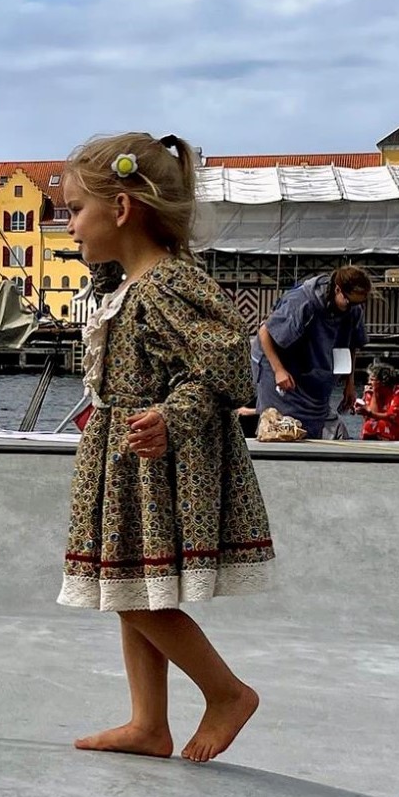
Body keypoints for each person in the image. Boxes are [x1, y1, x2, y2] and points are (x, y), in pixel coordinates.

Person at [59, 132, 273, 764]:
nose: (69, 227)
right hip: (120, 456)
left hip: (150, 462)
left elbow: (226, 360)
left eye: (75, 210)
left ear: (121, 210)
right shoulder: (125, 286)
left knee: (127, 589)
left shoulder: (164, 284)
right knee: (133, 591)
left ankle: (226, 691)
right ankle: (149, 722)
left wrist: (172, 417)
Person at [252, 265, 371, 439]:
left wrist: (350, 384)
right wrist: (279, 370)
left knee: (312, 423)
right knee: (280, 425)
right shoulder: (302, 302)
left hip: (313, 368)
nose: (353, 307)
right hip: (278, 364)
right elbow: (264, 332)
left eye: (358, 303)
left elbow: (351, 345)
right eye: (349, 301)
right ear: (338, 289)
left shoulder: (353, 310)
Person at [356, 363, 399, 442]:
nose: (369, 382)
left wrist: (369, 412)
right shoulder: (371, 392)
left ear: (382, 381)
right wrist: (373, 395)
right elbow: (371, 417)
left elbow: (391, 416)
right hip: (382, 429)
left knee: (381, 425)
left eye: (372, 380)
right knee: (369, 425)